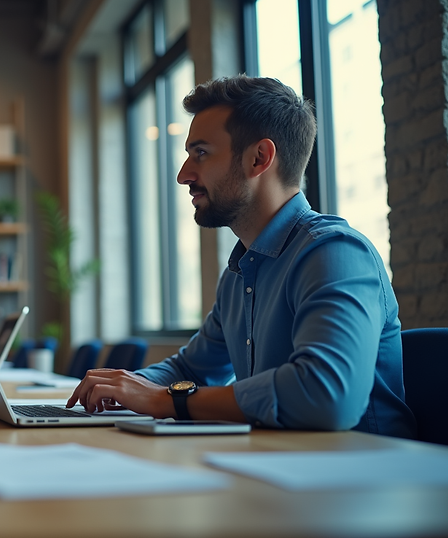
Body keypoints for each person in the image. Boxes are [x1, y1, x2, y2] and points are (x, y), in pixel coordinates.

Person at [67, 76, 415, 439]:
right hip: (281, 470)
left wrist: (169, 401)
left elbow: (327, 396)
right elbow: (192, 368)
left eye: (200, 153)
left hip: (359, 479)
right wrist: (128, 386)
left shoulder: (335, 254)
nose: (183, 175)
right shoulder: (239, 273)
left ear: (259, 158)